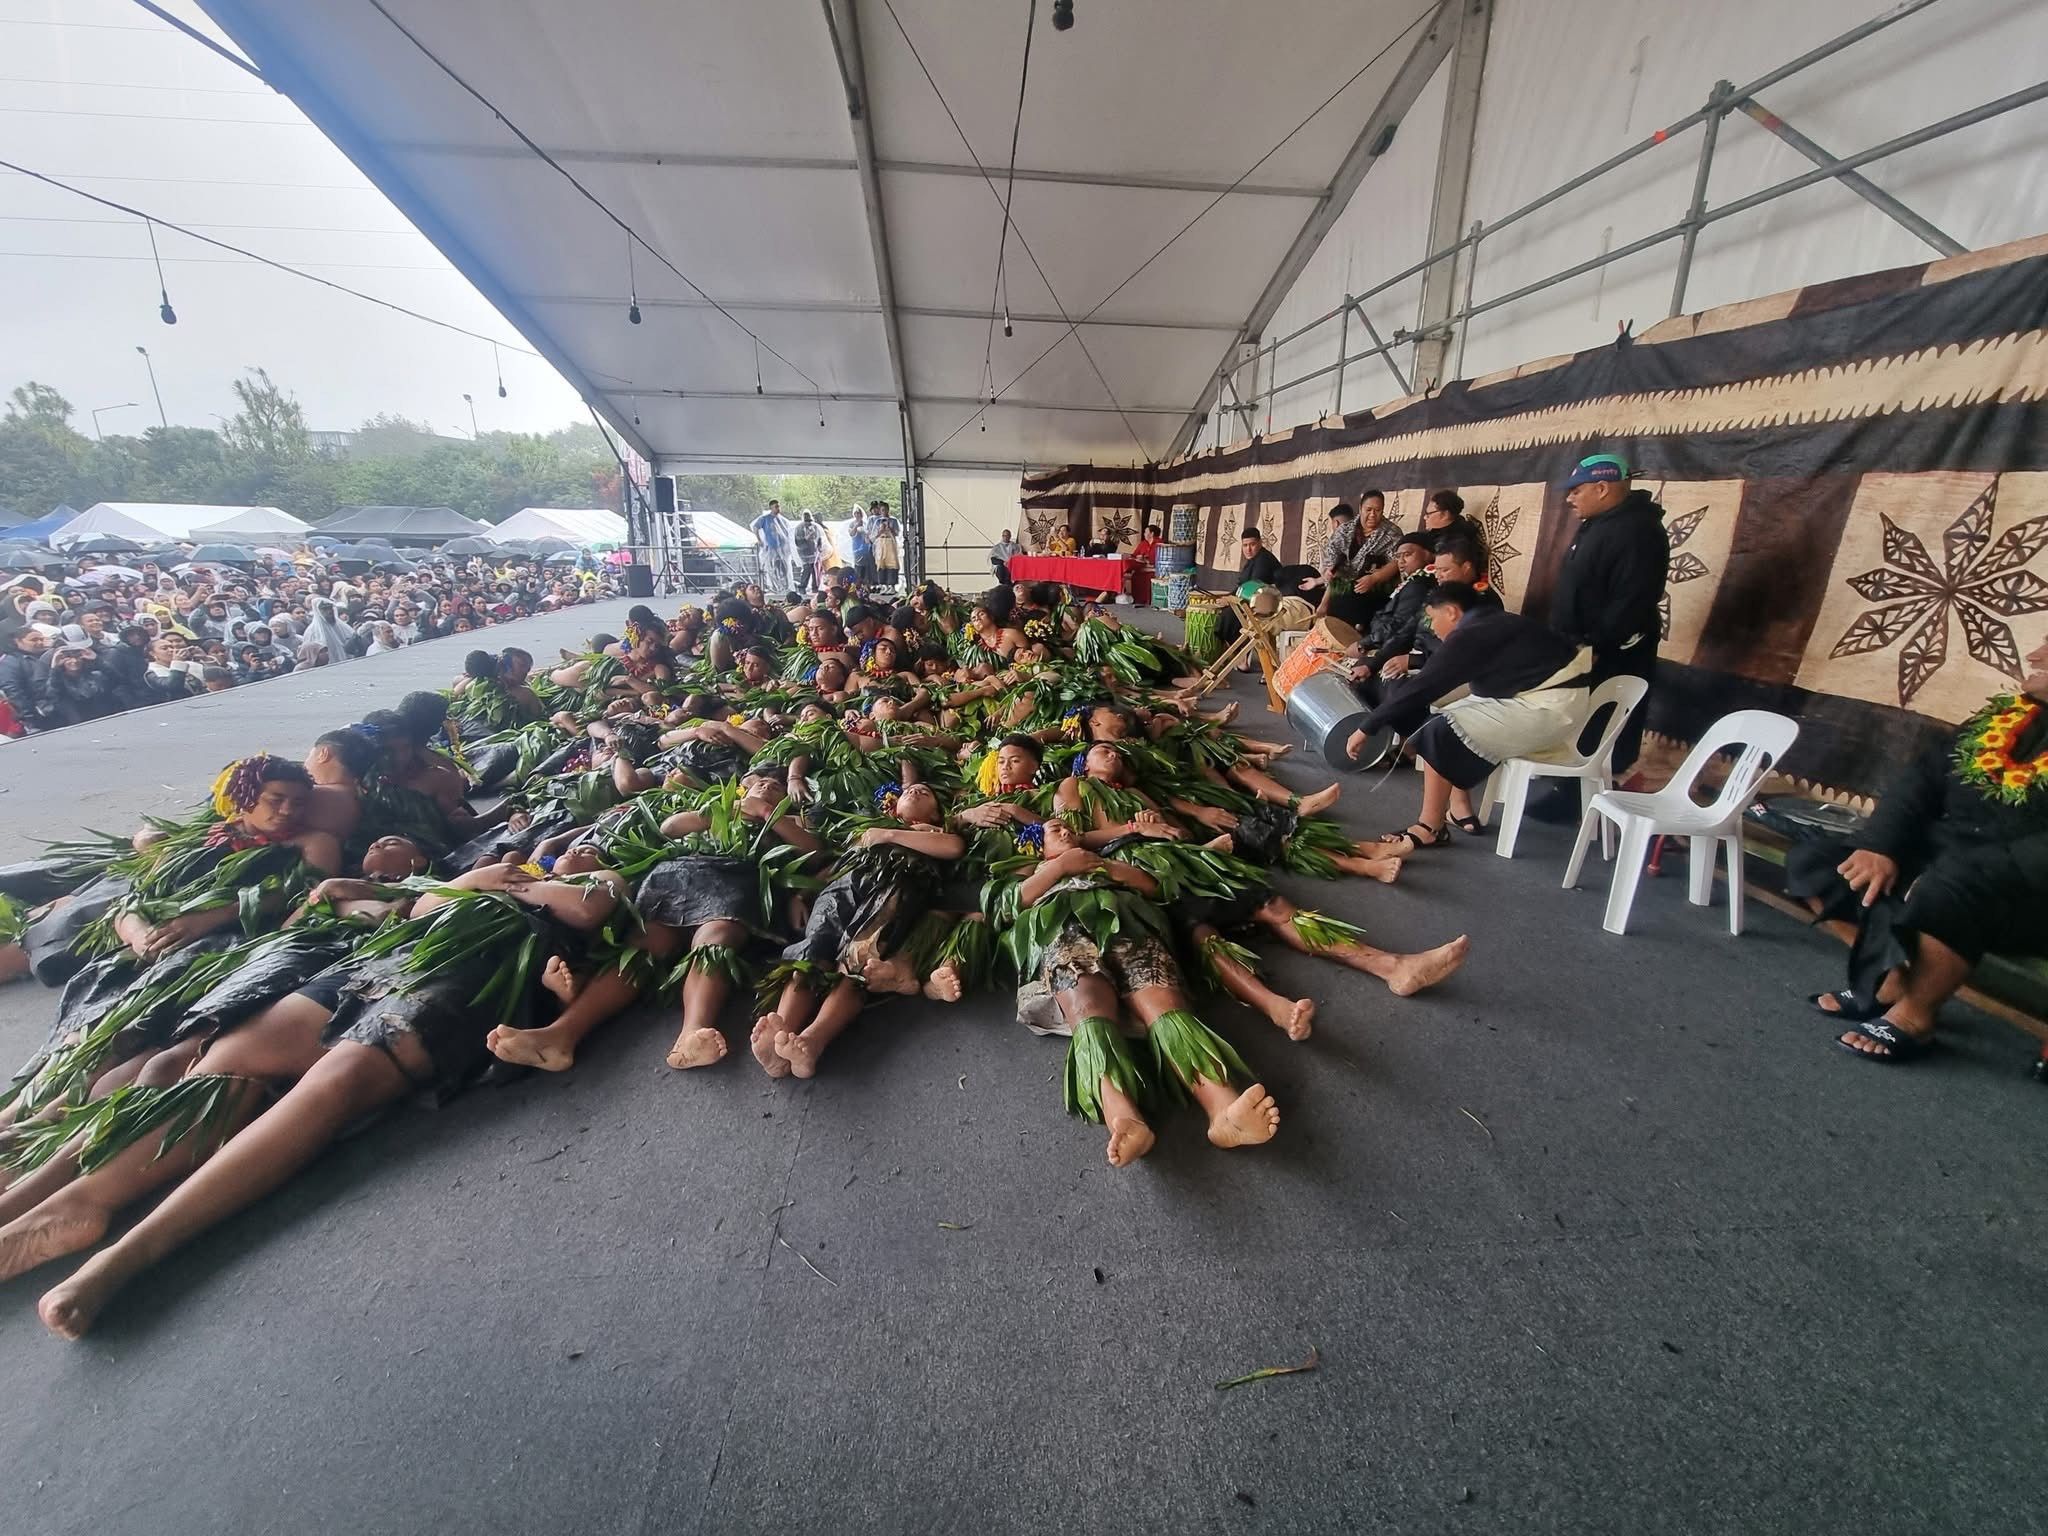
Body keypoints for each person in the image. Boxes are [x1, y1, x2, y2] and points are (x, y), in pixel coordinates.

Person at [1788, 639, 2048, 1064]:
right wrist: (1880, 845)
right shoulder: (2003, 718)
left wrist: (1956, 870)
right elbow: (1920, 782)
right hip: (1946, 861)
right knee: (1819, 863)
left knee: (1949, 888)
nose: (2034, 656)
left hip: (2025, 891)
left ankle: (1915, 1016)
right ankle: (1890, 981)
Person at [1346, 583, 1590, 851]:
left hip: (1550, 708)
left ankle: (1430, 828)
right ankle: (1458, 807)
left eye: (1432, 618)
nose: (1431, 626)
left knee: (1441, 729)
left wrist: (1366, 728)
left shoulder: (1473, 633)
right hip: (1545, 698)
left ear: (1451, 612)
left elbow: (1425, 686)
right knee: (1440, 716)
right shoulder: (1490, 621)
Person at [1537, 453, 1669, 801]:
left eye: (1576, 490)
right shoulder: (1599, 523)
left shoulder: (1638, 531)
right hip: (1581, 646)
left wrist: (1596, 645)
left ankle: (1581, 798)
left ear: (1601, 488)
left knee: (1604, 721)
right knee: (1580, 717)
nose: (1569, 498)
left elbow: (1632, 599)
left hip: (1612, 651)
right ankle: (1568, 786)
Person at [751, 499, 795, 595]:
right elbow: (755, 527)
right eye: (776, 507)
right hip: (771, 548)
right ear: (771, 508)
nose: (778, 508)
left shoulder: (782, 520)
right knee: (772, 568)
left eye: (779, 506)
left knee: (784, 568)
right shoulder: (765, 518)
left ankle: (786, 586)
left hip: (782, 549)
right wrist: (759, 539)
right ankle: (775, 587)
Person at [1129, 523, 1160, 607]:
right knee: (1136, 574)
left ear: (1152, 533)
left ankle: (1149, 600)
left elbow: (1158, 559)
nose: (1144, 534)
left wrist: (1147, 560)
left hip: (1155, 568)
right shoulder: (1143, 543)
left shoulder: (1159, 543)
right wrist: (1138, 557)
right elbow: (1134, 555)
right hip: (1143, 567)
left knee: (1150, 575)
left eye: (1146, 532)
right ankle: (1139, 600)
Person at [870, 501, 900, 588]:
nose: (884, 512)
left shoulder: (893, 520)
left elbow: (897, 533)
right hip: (881, 543)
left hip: (890, 542)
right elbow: (873, 536)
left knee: (892, 563)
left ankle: (892, 585)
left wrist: (890, 528)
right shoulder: (877, 521)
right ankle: (884, 585)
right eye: (882, 510)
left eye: (885, 510)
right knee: (881, 563)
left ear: (888, 510)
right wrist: (881, 530)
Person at [792, 511, 824, 592]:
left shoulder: (814, 527)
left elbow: (819, 538)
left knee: (815, 570)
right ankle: (802, 587)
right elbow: (798, 542)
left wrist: (819, 547)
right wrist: (806, 538)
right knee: (807, 569)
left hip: (814, 552)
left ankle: (815, 587)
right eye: (806, 521)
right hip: (804, 552)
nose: (808, 523)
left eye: (809, 521)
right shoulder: (799, 528)